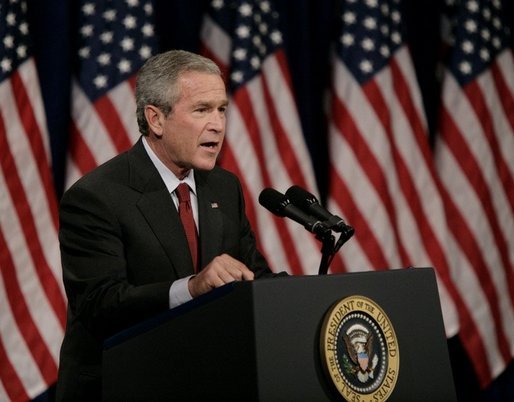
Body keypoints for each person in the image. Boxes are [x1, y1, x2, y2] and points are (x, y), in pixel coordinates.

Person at [56, 49, 282, 401]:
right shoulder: (96, 197)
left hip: (204, 382)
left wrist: (305, 295)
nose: (218, 125)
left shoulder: (223, 187)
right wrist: (191, 288)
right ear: (156, 119)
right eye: (202, 110)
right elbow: (101, 304)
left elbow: (253, 277)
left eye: (222, 109)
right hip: (121, 385)